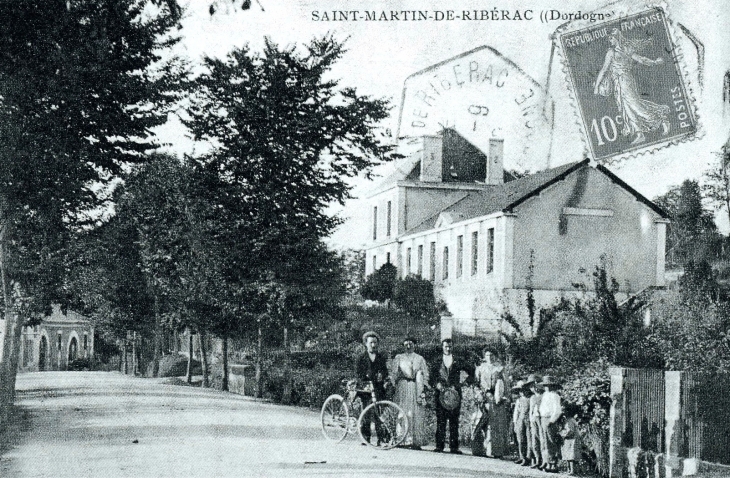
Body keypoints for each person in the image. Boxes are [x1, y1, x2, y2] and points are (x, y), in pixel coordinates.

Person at [593, 28, 671, 145]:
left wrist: (654, 62)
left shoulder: (625, 49)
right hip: (618, 83)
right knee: (626, 107)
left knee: (635, 105)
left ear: (617, 38)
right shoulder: (611, 52)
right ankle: (639, 133)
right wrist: (597, 85)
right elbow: (604, 70)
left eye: (611, 38)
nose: (610, 40)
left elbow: (640, 59)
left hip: (626, 80)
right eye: (609, 38)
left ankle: (661, 120)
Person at [430, 338, 471, 454]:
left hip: (455, 395)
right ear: (442, 347)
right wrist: (436, 384)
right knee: (441, 420)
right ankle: (439, 446)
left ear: (452, 347)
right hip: (441, 395)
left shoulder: (458, 360)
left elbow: (471, 370)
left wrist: (461, 383)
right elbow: (431, 377)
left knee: (454, 420)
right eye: (446, 346)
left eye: (450, 347)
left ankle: (454, 447)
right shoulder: (437, 361)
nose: (448, 349)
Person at [391, 336, 429, 450]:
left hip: (416, 387)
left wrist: (424, 388)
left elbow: (425, 374)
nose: (408, 346)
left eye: (411, 344)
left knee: (417, 413)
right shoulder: (399, 358)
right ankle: (402, 439)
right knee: (403, 411)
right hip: (403, 387)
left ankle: (416, 441)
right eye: (406, 344)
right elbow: (393, 373)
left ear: (414, 345)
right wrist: (392, 384)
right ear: (403, 345)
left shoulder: (420, 358)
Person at [355, 331, 390, 446]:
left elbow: (385, 371)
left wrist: (382, 376)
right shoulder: (361, 358)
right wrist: (364, 378)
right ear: (366, 344)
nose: (373, 345)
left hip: (378, 389)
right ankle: (366, 438)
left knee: (379, 414)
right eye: (371, 343)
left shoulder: (381, 357)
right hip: (366, 390)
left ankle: (382, 439)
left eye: (375, 343)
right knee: (366, 413)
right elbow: (358, 374)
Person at [474, 349, 509, 458]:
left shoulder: (500, 369)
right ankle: (479, 449)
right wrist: (478, 394)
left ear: (495, 356)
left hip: (497, 400)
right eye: (487, 355)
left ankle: (496, 451)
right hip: (483, 399)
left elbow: (505, 385)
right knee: (480, 422)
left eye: (492, 355)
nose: (489, 357)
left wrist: (505, 397)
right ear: (484, 356)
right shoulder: (480, 368)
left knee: (496, 425)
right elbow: (476, 384)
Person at [538, 375, 563, 473]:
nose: (546, 387)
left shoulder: (555, 396)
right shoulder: (545, 395)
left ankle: (553, 464)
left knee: (551, 441)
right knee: (544, 441)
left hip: (550, 420)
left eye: (548, 385)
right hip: (543, 418)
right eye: (545, 385)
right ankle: (547, 462)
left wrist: (551, 421)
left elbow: (557, 410)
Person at [511, 380, 532, 466]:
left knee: (528, 438)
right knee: (520, 439)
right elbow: (516, 412)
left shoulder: (530, 399)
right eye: (520, 391)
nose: (522, 392)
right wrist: (515, 422)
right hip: (520, 420)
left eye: (523, 390)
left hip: (528, 420)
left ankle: (528, 457)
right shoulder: (518, 400)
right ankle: (522, 456)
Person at [526, 374, 544, 469]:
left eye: (534, 385)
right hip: (533, 419)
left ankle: (544, 461)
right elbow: (531, 410)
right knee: (534, 439)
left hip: (541, 418)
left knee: (542, 438)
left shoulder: (543, 396)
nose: (532, 388)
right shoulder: (532, 397)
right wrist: (530, 419)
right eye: (531, 386)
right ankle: (537, 459)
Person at [560, 403, 582, 475]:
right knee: (569, 455)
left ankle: (572, 470)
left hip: (571, 439)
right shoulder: (570, 420)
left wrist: (563, 435)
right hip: (570, 439)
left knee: (571, 455)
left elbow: (570, 431)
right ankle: (570, 470)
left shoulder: (569, 421)